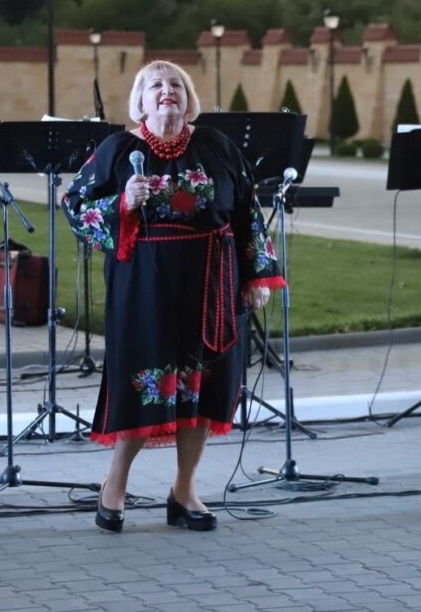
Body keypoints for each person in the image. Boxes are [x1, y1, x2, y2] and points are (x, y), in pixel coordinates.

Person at [62, 60, 285, 533]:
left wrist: (256, 275)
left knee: (202, 386)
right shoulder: (119, 150)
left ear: (188, 98)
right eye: (156, 85)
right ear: (140, 102)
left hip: (212, 284)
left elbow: (247, 210)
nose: (167, 91)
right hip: (143, 286)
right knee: (145, 381)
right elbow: (75, 205)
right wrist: (123, 202)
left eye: (176, 84)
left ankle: (184, 491)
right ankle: (114, 485)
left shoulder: (216, 146)